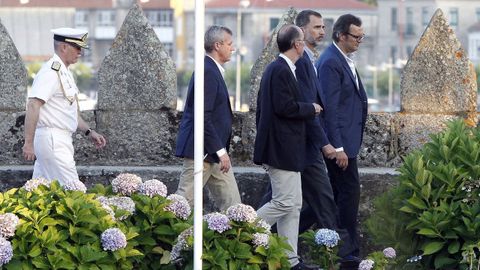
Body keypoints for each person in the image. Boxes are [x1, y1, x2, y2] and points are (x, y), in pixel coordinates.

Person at [254, 24, 322, 270]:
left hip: (288, 150)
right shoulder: (279, 69)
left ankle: (290, 260)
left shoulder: (284, 69)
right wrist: (310, 108)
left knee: (293, 205)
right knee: (284, 202)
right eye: (302, 40)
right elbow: (285, 107)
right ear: (297, 44)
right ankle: (239, 227)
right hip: (280, 150)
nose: (304, 44)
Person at [22, 28, 107, 186]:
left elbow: (70, 112)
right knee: (74, 191)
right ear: (63, 47)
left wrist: (89, 132)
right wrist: (28, 143)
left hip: (58, 139)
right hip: (53, 140)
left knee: (40, 194)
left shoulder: (63, 72)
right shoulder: (51, 72)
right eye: (77, 47)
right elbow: (33, 105)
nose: (80, 52)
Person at [316, 14, 368, 266]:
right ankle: (348, 254)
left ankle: (344, 250)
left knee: (340, 196)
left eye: (362, 36)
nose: (360, 40)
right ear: (341, 36)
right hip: (341, 147)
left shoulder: (343, 59)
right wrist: (337, 147)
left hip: (348, 143)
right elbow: (330, 108)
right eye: (356, 36)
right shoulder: (330, 63)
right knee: (347, 196)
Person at [175, 25, 241, 211]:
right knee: (182, 205)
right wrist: (221, 152)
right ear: (217, 45)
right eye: (229, 44)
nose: (233, 48)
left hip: (213, 154)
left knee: (234, 207)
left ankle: (236, 239)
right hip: (202, 152)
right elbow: (202, 116)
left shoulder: (211, 70)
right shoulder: (207, 71)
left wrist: (219, 153)